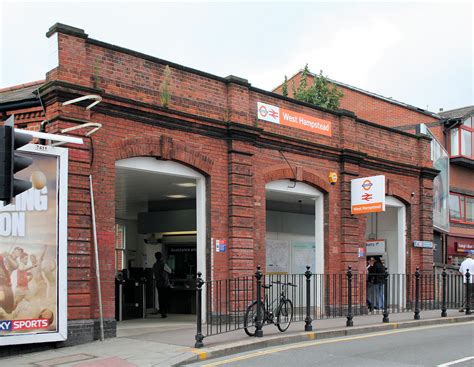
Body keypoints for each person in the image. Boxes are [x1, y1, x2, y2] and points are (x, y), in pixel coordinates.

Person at [153, 252, 171, 318]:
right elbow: (170, 271)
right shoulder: (163, 264)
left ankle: (161, 311)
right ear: (161, 257)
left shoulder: (154, 265)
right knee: (165, 298)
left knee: (160, 298)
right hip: (165, 284)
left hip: (158, 284)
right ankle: (164, 312)